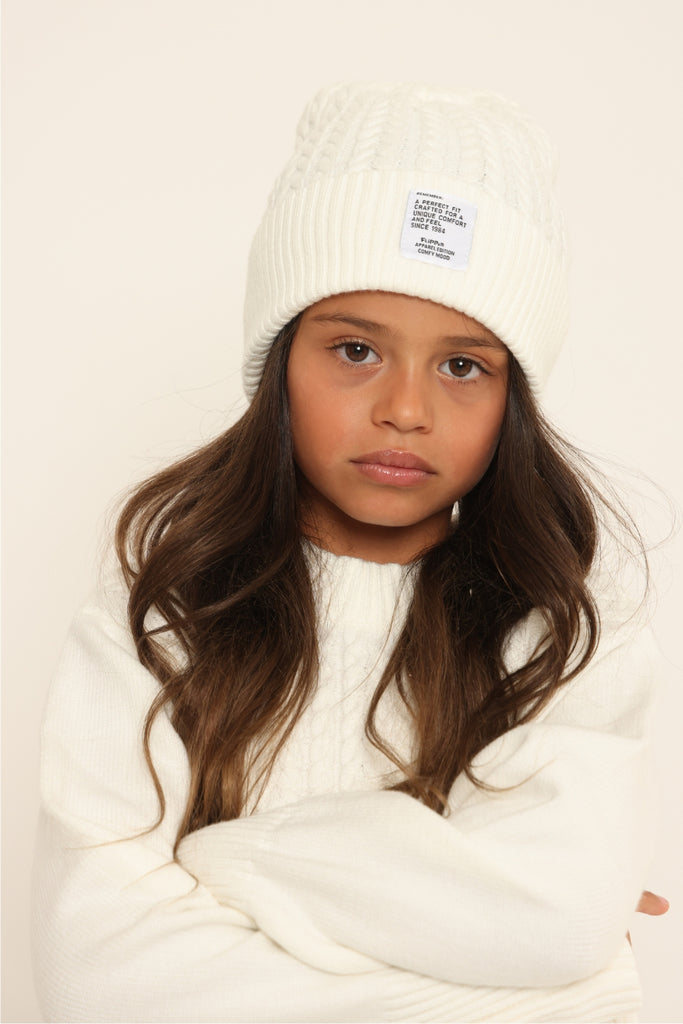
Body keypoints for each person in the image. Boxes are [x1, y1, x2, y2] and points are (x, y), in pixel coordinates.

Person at [33, 82, 667, 1023]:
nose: (404, 409)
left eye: (462, 365)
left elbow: (562, 925)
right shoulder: (163, 612)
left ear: (513, 400)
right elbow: (98, 984)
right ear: (279, 360)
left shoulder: (568, 638)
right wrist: (553, 985)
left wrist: (231, 862)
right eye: (356, 351)